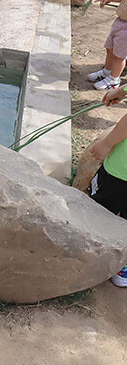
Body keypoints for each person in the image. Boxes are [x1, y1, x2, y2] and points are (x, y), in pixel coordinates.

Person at [88, 84, 127, 287]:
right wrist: (120, 92)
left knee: (99, 208)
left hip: (121, 171)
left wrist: (107, 143)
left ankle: (89, 251)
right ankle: (123, 267)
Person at [87, 0, 127, 91]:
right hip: (120, 21)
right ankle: (107, 71)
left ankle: (113, 79)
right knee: (110, 48)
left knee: (119, 56)